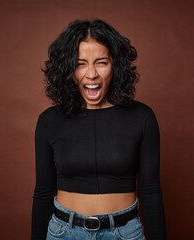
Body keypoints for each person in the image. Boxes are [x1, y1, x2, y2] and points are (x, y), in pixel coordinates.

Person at [31, 19, 166, 240]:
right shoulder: (49, 121)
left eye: (101, 62)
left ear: (116, 65)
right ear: (68, 68)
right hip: (63, 233)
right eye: (80, 63)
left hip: (124, 233)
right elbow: (43, 193)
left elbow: (150, 191)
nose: (91, 73)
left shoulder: (142, 117)